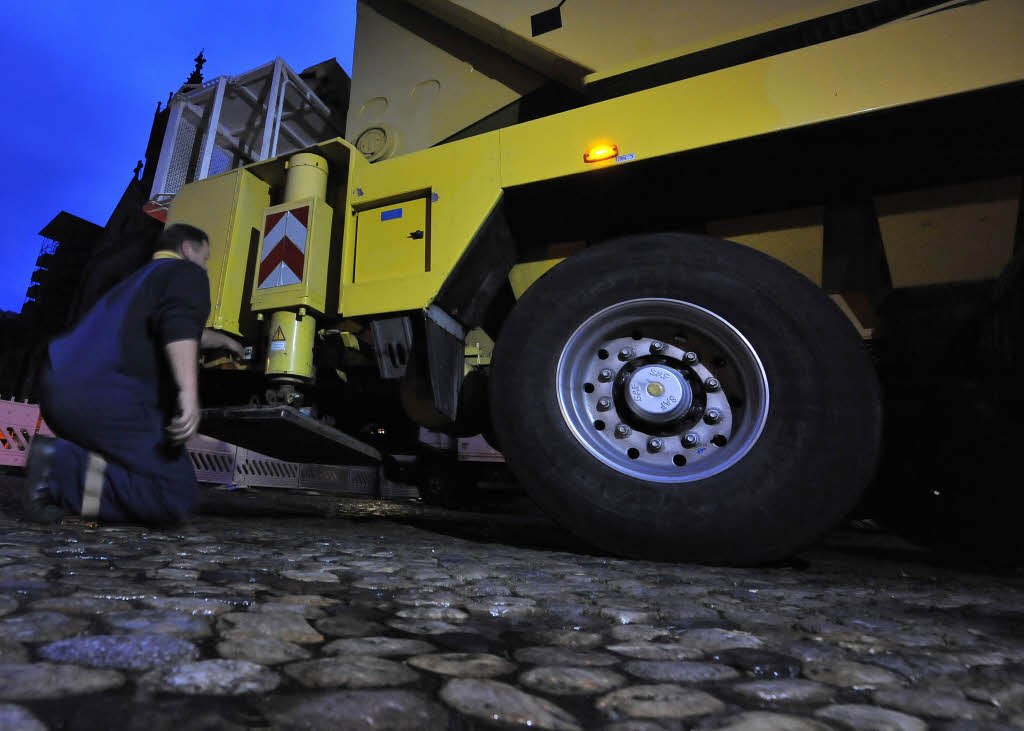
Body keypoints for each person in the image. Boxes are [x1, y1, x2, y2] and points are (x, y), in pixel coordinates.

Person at [22, 223, 244, 524]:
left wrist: (224, 340)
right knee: (173, 495)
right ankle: (57, 468)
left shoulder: (138, 281)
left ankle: (76, 470)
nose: (205, 265)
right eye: (205, 257)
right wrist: (188, 396)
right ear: (188, 249)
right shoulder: (187, 273)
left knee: (148, 467)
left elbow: (176, 327)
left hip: (58, 381)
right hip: (104, 395)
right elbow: (178, 326)